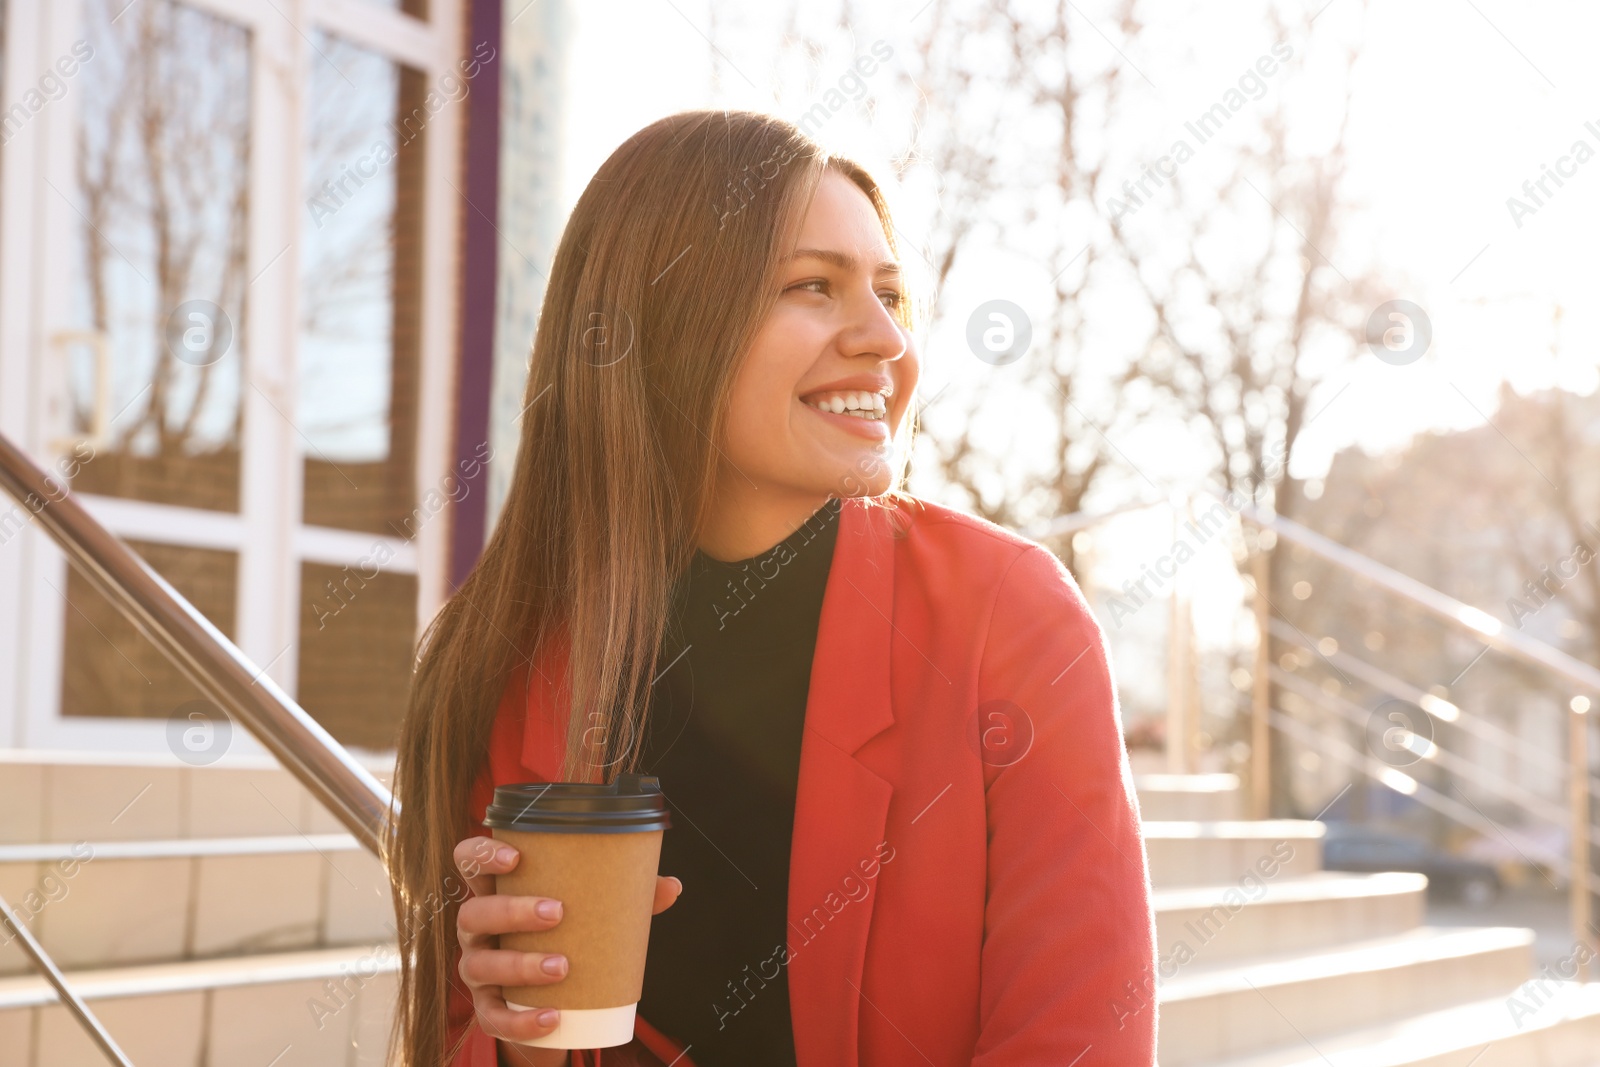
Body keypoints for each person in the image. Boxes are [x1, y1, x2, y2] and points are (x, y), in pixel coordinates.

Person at [387, 109, 1157, 1067]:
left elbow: (1080, 1041)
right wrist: (520, 1042)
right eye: (812, 286)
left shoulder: (1007, 616)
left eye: (888, 293)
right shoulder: (510, 660)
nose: (884, 338)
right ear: (662, 325)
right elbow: (453, 1042)